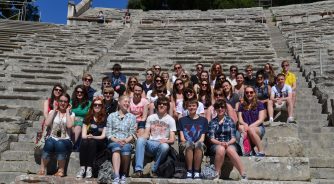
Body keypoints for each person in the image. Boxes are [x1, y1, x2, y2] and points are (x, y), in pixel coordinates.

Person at [132, 97, 176, 178]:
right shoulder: (151, 117)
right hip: (151, 143)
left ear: (168, 107)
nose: (161, 105)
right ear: (156, 105)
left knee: (165, 146)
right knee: (141, 140)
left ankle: (154, 170)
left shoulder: (171, 120)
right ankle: (138, 170)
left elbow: (172, 140)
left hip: (162, 144)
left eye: (164, 104)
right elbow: (146, 134)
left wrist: (166, 141)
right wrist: (140, 138)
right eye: (160, 104)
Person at [209, 99, 247, 180]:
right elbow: (211, 138)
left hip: (230, 143)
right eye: (218, 107)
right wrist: (220, 143)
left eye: (222, 107)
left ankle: (243, 174)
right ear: (215, 109)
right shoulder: (212, 122)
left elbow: (233, 137)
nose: (220, 109)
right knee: (221, 149)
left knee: (230, 150)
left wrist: (228, 143)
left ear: (225, 109)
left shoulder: (230, 121)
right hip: (216, 144)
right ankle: (217, 173)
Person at [38, 93, 74, 177]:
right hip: (53, 137)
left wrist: (68, 111)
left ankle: (61, 170)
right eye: (61, 101)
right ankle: (42, 169)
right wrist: (54, 109)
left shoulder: (71, 114)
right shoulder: (52, 112)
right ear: (58, 102)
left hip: (66, 139)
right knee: (49, 143)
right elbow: (47, 123)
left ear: (68, 103)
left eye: (65, 101)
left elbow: (69, 125)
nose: (63, 103)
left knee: (60, 143)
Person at [106, 95, 136, 184]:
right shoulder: (111, 116)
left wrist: (126, 140)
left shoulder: (132, 117)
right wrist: (116, 140)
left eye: (128, 102)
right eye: (125, 101)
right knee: (116, 147)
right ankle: (116, 175)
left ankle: (123, 174)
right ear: (119, 102)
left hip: (126, 141)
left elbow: (132, 133)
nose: (127, 103)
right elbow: (108, 133)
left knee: (126, 148)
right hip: (114, 141)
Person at [76, 97, 107, 178]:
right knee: (84, 141)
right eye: (95, 104)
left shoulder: (104, 119)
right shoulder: (87, 118)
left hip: (99, 143)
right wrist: (89, 136)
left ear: (102, 106)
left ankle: (89, 168)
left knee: (92, 141)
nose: (97, 106)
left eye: (99, 105)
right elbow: (83, 135)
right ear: (92, 106)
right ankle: (82, 168)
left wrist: (93, 137)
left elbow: (103, 136)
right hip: (88, 140)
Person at [178, 99, 208, 179]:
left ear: (197, 107)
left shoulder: (204, 120)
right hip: (186, 143)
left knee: (198, 144)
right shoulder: (181, 120)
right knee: (189, 144)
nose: (192, 107)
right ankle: (189, 171)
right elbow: (182, 138)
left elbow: (202, 138)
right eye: (189, 106)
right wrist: (191, 143)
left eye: (194, 106)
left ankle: (197, 172)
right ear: (186, 107)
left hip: (199, 142)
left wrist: (195, 143)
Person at [238, 86, 266, 157]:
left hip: (258, 128)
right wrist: (245, 124)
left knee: (250, 129)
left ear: (254, 93)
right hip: (246, 126)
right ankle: (249, 150)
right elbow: (240, 119)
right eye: (247, 92)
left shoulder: (259, 104)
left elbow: (261, 119)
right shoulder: (241, 105)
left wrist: (250, 126)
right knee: (241, 128)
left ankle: (261, 151)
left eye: (251, 92)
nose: (249, 94)